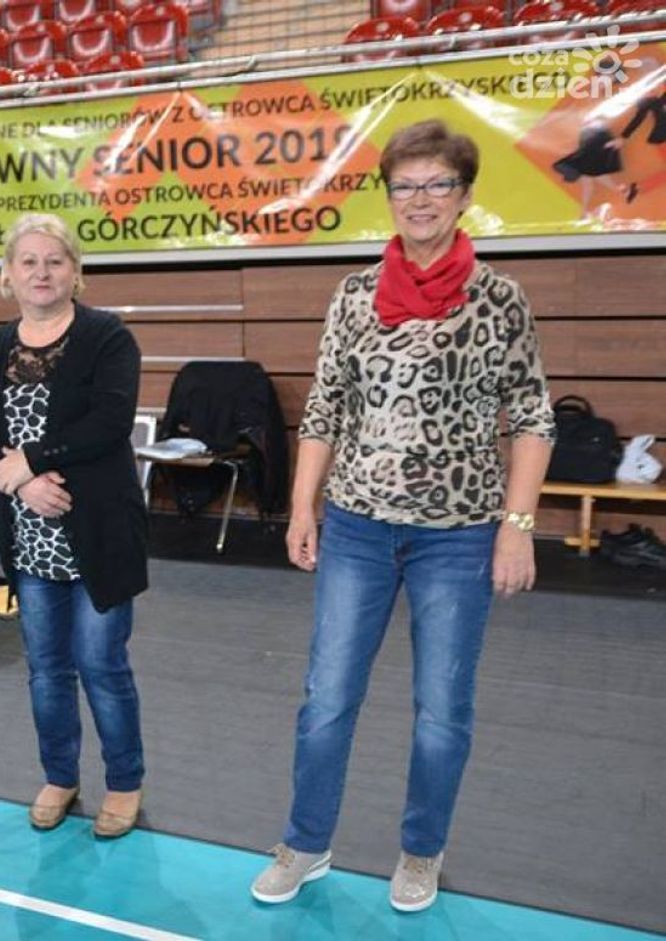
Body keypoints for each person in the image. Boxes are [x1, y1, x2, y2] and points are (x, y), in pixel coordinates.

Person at [250, 120, 555, 912]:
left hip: (458, 536)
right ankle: (305, 842)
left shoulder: (500, 299)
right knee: (326, 699)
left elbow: (532, 416)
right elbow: (324, 409)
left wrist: (517, 525)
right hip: (356, 528)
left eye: (437, 184)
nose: (421, 200)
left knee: (442, 709)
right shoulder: (354, 296)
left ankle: (422, 850)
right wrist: (302, 506)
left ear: (464, 195)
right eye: (406, 186)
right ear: (389, 197)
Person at [0, 214, 147, 838]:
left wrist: (30, 461)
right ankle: (60, 776)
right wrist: (17, 482)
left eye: (54, 261)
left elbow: (110, 422)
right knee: (45, 669)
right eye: (28, 261)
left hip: (99, 536)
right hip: (30, 540)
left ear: (75, 272)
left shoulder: (107, 337)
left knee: (102, 666)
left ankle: (124, 783)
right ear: (8, 274)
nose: (41, 272)